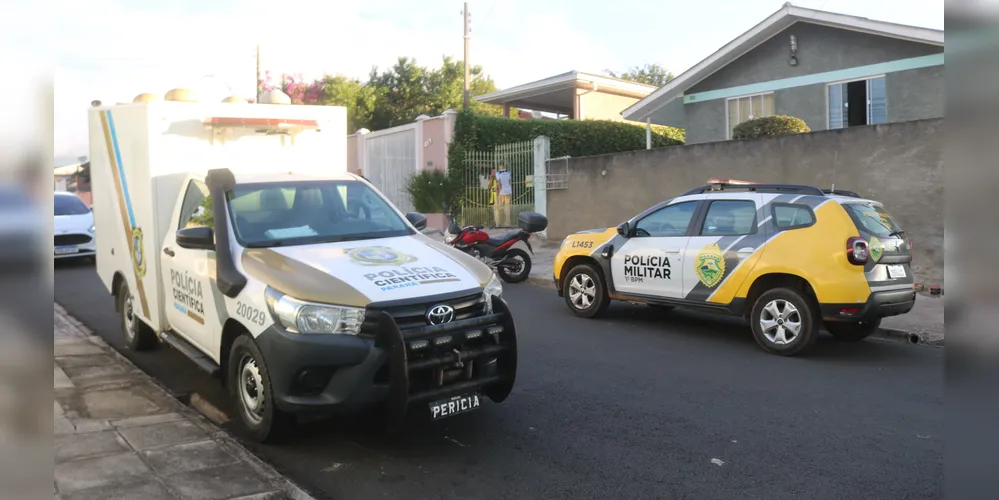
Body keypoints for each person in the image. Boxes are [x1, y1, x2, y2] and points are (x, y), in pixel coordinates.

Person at [493, 163, 513, 227]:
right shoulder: (508, 172)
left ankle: (498, 223)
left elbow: (499, 184)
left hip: (502, 192)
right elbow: (510, 182)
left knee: (496, 207)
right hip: (509, 191)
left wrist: (497, 192)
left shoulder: (498, 173)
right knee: (507, 207)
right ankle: (508, 223)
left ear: (500, 167)